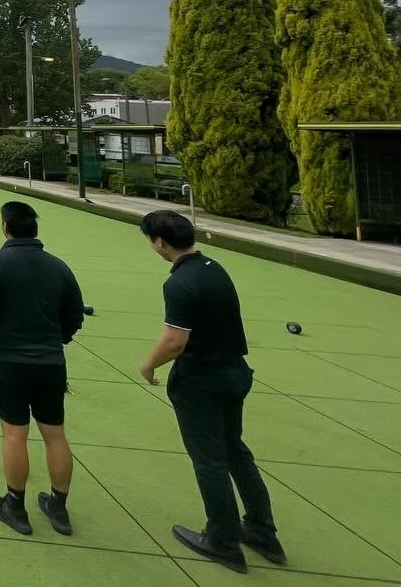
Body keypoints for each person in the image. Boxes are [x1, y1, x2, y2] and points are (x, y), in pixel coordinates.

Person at [138, 211, 284, 573]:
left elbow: (175, 341)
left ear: (159, 242)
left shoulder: (179, 283)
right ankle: (262, 530)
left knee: (210, 461)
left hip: (201, 381)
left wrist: (149, 364)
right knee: (235, 452)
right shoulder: (214, 267)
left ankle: (222, 540)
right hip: (234, 374)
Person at [0, 201, 85, 536]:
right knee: (55, 434)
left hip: (7, 362)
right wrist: (55, 340)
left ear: (5, 227)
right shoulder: (59, 267)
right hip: (50, 363)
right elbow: (74, 316)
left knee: (14, 432)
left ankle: (14, 506)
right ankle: (58, 508)